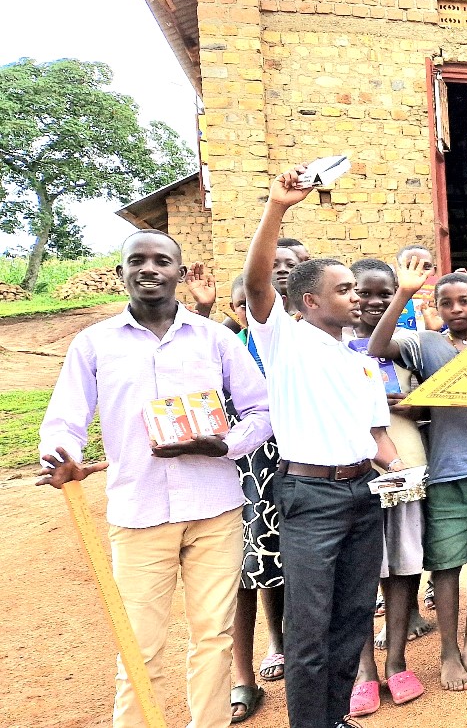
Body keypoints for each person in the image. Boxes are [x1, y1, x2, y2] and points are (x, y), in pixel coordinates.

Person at [38, 231, 271, 728]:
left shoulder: (216, 339)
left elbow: (261, 409)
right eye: (136, 260)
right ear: (121, 271)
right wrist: (61, 457)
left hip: (215, 510)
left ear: (180, 273)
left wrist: (226, 445)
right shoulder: (94, 343)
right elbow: (65, 419)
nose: (149, 269)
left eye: (161, 261)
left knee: (214, 638)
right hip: (139, 513)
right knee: (138, 646)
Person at [243, 167, 409, 728]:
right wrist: (277, 209)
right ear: (309, 301)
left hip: (363, 494)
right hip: (310, 497)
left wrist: (401, 468)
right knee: (308, 630)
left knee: (353, 617)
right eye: (344, 290)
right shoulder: (286, 339)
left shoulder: (361, 364)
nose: (357, 297)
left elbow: (374, 437)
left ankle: (334, 718)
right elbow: (259, 283)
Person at [368, 264, 467, 693]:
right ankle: (449, 652)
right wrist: (404, 294)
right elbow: (377, 345)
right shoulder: (426, 343)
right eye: (446, 302)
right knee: (447, 567)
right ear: (434, 308)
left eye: (464, 301)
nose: (456, 309)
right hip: (444, 476)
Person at [187, 272, 290, 722]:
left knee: (291, 568)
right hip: (238, 469)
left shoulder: (293, 344)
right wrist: (204, 312)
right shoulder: (224, 344)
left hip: (295, 464)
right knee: (243, 572)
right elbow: (184, 360)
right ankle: (243, 677)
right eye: (239, 305)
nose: (248, 312)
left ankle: (290, 652)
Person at [345, 259, 432, 717]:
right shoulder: (332, 343)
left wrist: (416, 404)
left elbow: (432, 405)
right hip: (355, 468)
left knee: (403, 564)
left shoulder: (408, 345)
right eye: (365, 292)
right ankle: (364, 671)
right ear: (348, 293)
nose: (375, 302)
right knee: (362, 569)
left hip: (407, 462)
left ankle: (397, 660)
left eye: (386, 294)